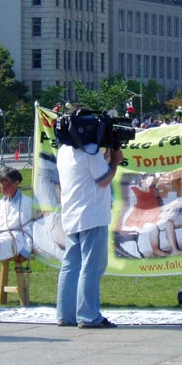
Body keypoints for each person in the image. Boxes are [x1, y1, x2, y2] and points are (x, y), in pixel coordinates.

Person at [56, 132, 123, 329]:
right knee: (91, 267)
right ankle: (88, 315)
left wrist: (107, 156)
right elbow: (103, 179)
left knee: (71, 266)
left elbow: (88, 171)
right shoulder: (90, 151)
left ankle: (66, 314)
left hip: (71, 214)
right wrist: (115, 161)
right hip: (92, 215)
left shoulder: (64, 150)